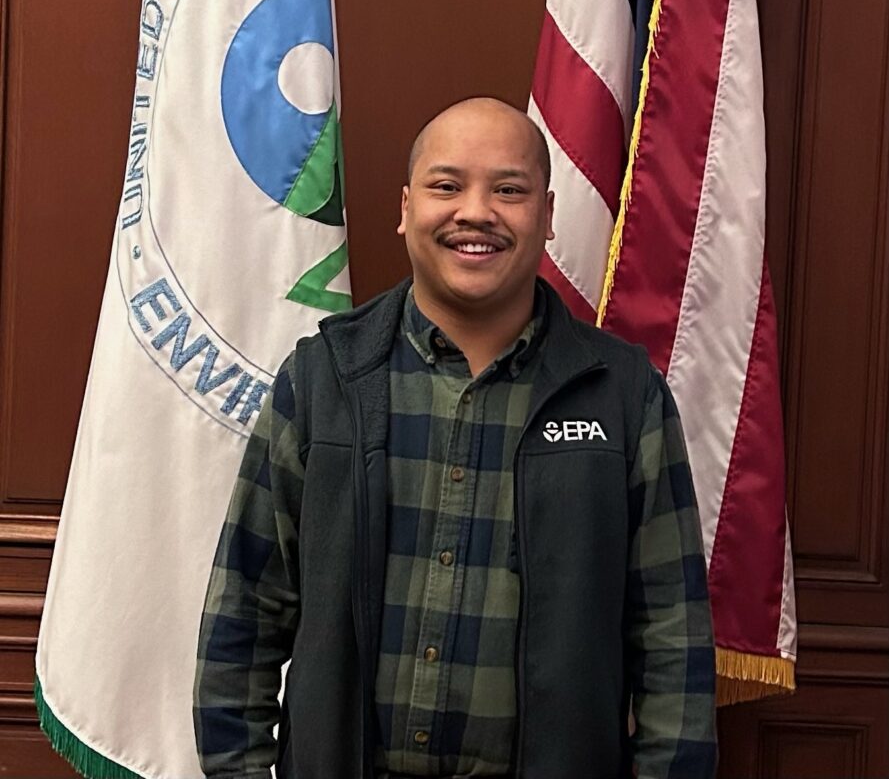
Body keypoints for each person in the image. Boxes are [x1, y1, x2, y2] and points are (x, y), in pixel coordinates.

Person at [193, 97, 717, 779]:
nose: (476, 212)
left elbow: (671, 637)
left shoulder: (623, 396)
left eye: (509, 191)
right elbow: (245, 610)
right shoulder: (323, 383)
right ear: (406, 207)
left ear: (548, 216)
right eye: (446, 186)